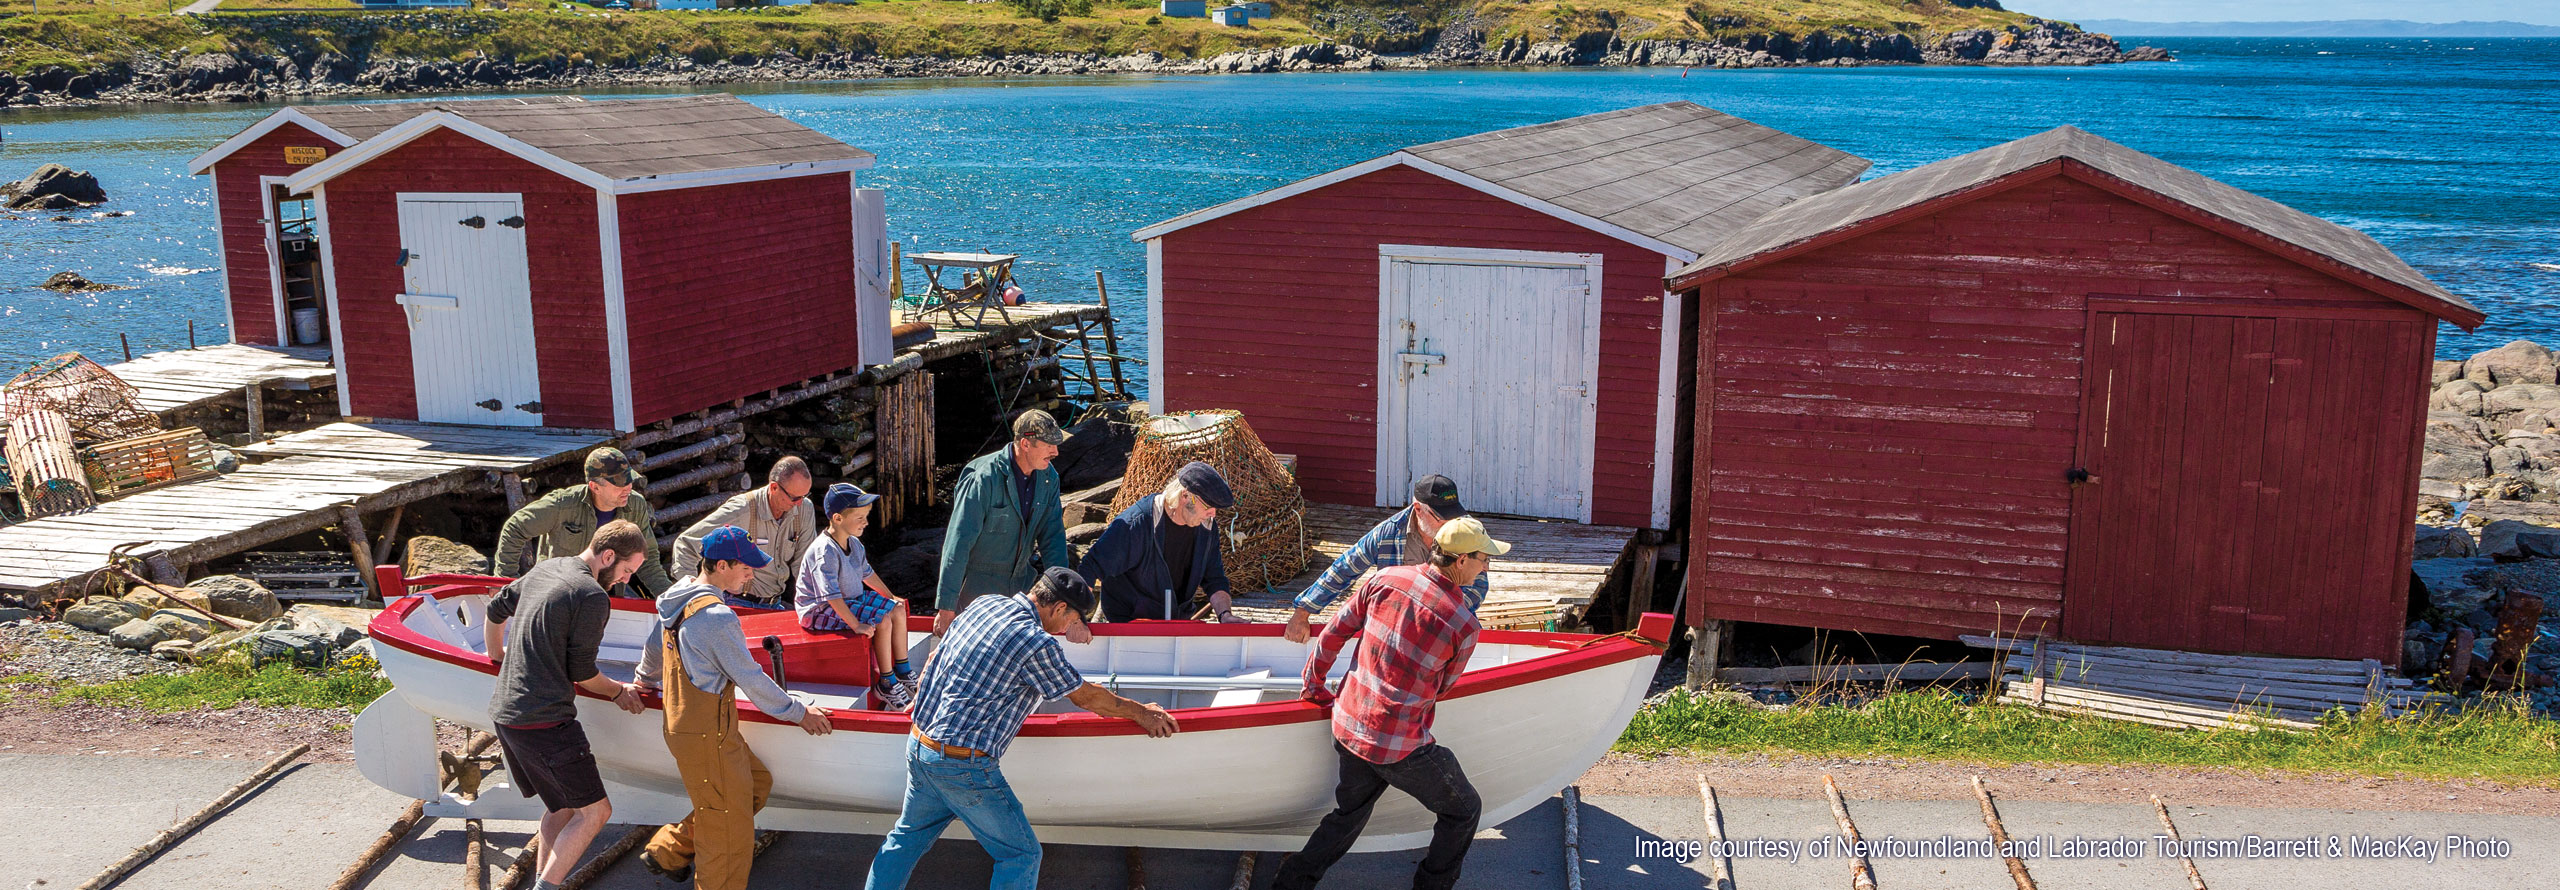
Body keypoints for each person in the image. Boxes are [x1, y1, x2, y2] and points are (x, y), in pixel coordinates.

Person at [864, 567, 1178, 890]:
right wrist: (1142, 713)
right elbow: (1085, 697)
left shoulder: (985, 604)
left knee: (906, 837)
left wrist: (921, 698)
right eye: (1070, 620)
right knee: (1021, 855)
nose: (1066, 628)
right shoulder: (1035, 642)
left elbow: (934, 658)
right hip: (960, 763)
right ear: (1059, 608)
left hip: (920, 745)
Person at [1274, 518, 1507, 890]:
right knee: (1464, 811)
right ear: (1461, 560)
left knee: (1348, 815)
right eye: (1484, 559)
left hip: (1348, 724)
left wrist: (1313, 685)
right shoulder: (1463, 624)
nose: (1487, 568)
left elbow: (1334, 632)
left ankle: (1290, 883)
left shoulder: (1385, 579)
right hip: (1397, 745)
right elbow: (1441, 689)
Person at [634, 526, 834, 889]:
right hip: (706, 734)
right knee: (728, 832)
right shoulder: (716, 616)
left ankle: (668, 851)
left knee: (755, 784)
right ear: (722, 566)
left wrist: (643, 680)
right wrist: (799, 712)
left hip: (691, 727)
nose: (751, 575)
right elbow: (750, 678)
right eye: (746, 567)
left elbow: (654, 646)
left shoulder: (679, 595)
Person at [480, 520, 652, 890]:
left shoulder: (548, 567)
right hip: (544, 721)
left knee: (562, 808)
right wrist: (618, 692)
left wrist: (497, 655)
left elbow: (496, 608)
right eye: (626, 570)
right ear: (608, 556)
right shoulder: (592, 596)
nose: (625, 579)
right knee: (596, 812)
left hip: (506, 715)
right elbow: (583, 673)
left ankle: (542, 883)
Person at [1283, 474, 1486, 643]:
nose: (1451, 523)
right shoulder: (1387, 534)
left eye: (1454, 515)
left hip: (1449, 624)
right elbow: (1344, 568)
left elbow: (1477, 587)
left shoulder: (1470, 531)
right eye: (1442, 517)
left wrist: (1436, 617)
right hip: (1395, 625)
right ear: (1418, 509)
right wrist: (1303, 612)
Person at [934, 409, 1070, 636]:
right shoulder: (983, 478)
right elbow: (958, 542)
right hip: (975, 596)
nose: (1055, 452)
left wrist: (1064, 597)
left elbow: (1053, 538)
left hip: (1020, 592)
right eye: (1049, 445)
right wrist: (946, 607)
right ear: (1025, 444)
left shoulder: (1049, 477)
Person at [797, 482, 916, 710]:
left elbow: (867, 574)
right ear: (837, 518)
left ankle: (903, 670)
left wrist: (891, 596)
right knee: (882, 620)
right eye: (860, 517)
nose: (866, 522)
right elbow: (831, 596)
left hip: (849, 598)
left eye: (866, 516)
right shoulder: (825, 551)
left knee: (897, 610)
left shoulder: (855, 543)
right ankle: (886, 683)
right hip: (820, 608)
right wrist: (856, 625)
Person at [496, 447, 672, 598]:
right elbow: (515, 528)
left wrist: (670, 597)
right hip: (557, 593)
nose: (628, 488)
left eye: (629, 480)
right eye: (619, 484)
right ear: (595, 487)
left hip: (608, 595)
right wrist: (505, 582)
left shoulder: (636, 504)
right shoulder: (562, 504)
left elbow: (647, 557)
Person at [1079, 461, 1240, 623]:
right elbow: (1091, 566)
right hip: (1129, 624)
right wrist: (1076, 620)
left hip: (1175, 622)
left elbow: (1215, 578)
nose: (1213, 514)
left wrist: (1225, 615)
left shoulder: (1207, 527)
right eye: (1208, 506)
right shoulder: (1137, 523)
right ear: (1185, 496)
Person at [672, 456, 818, 608]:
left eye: (804, 496)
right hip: (735, 603)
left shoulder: (804, 509)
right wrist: (693, 595)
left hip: (774, 603)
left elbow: (806, 564)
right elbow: (686, 544)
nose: (799, 503)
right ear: (774, 488)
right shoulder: (742, 509)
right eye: (794, 498)